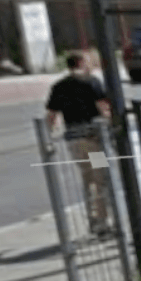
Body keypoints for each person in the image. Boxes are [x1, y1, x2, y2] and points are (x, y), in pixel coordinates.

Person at [43, 52, 114, 237]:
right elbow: (103, 108)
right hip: (94, 139)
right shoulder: (92, 82)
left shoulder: (58, 86)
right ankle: (102, 222)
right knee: (101, 180)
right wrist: (112, 126)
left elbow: (51, 115)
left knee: (87, 178)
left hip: (74, 140)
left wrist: (48, 138)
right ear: (82, 63)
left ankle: (92, 220)